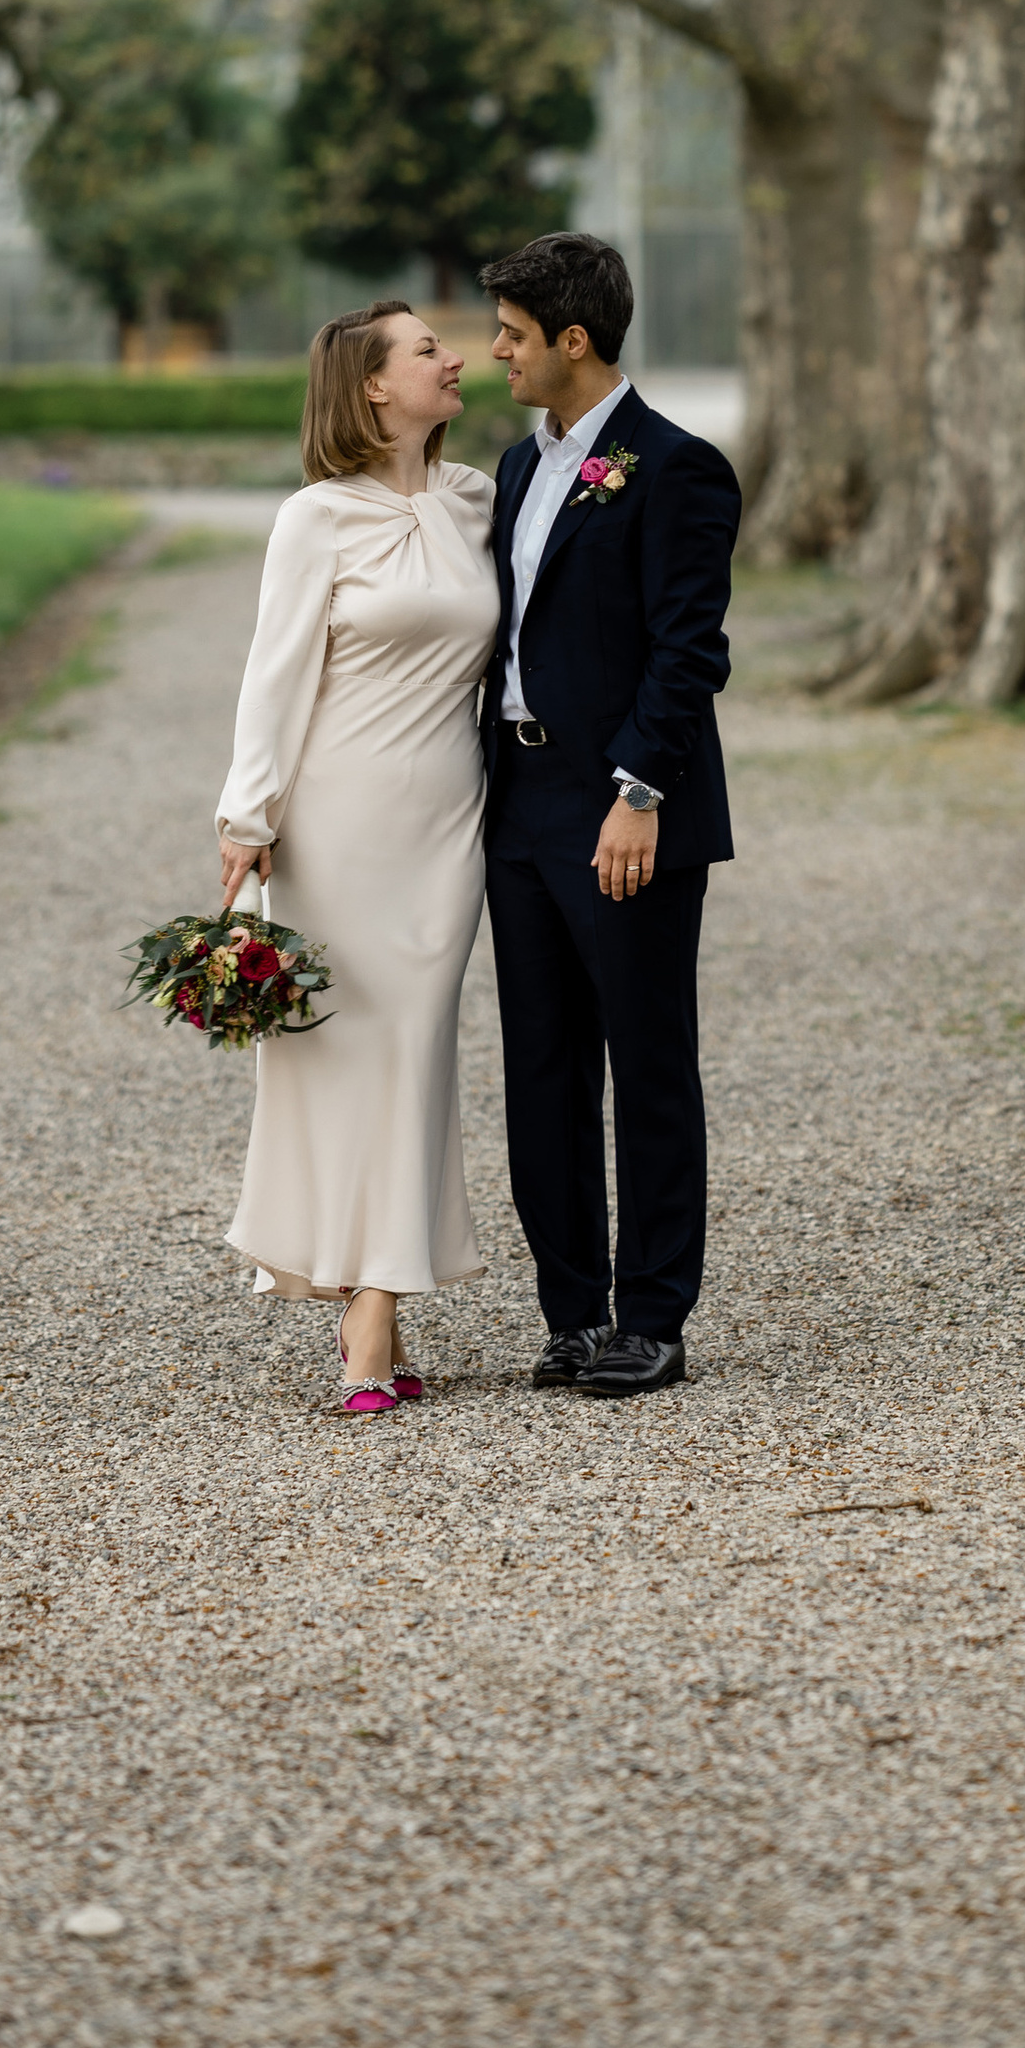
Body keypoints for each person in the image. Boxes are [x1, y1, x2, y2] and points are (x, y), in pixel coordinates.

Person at [213, 301, 500, 1419]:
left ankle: (377, 1286)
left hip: (447, 826)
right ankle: (371, 1308)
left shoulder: (480, 500)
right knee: (341, 1055)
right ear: (374, 387)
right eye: (429, 349)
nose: (455, 358)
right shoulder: (313, 520)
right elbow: (272, 678)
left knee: (418, 1048)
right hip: (337, 827)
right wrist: (248, 817)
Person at [479, 231, 743, 1397]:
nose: (495, 353)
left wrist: (639, 793)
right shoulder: (516, 466)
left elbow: (688, 655)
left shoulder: (676, 465)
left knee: (645, 1059)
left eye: (512, 335)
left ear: (571, 340)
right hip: (519, 805)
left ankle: (654, 1317)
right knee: (539, 1065)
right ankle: (571, 1312)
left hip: (624, 809)